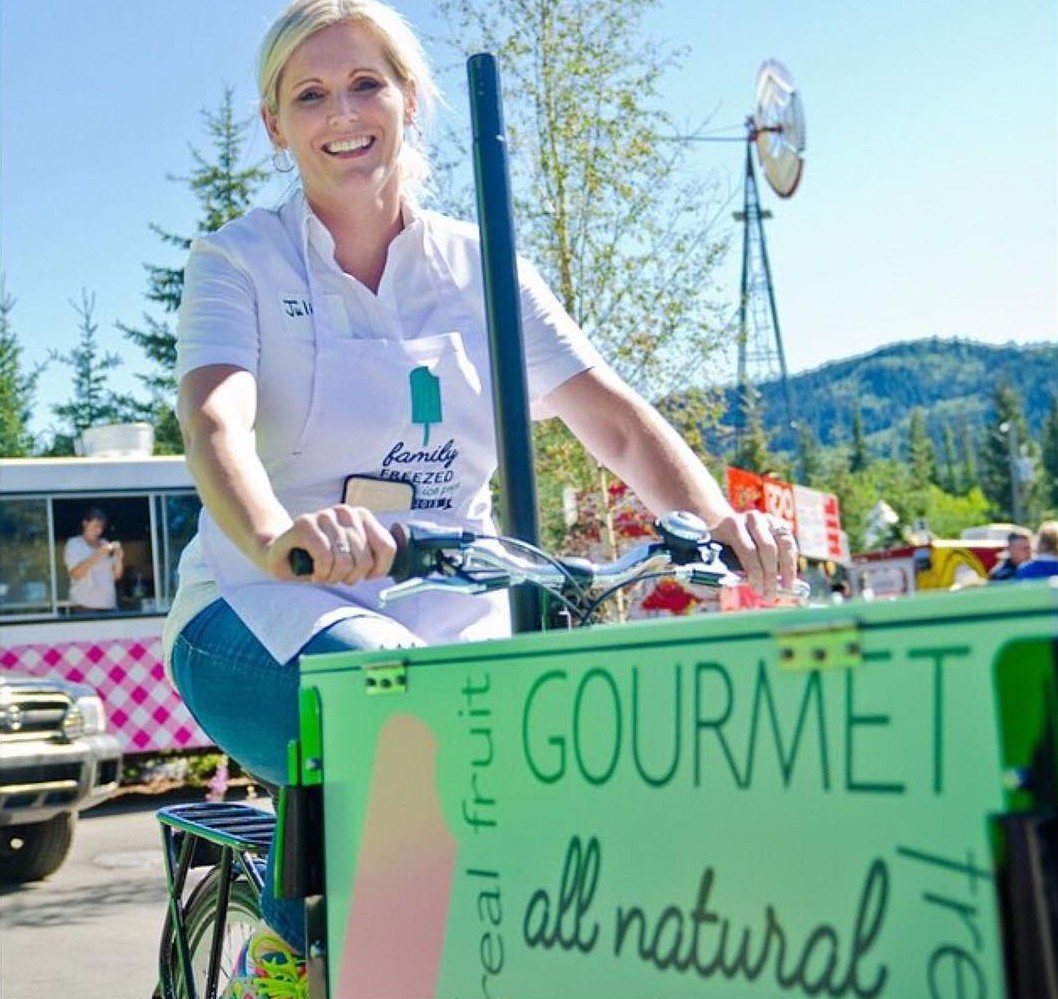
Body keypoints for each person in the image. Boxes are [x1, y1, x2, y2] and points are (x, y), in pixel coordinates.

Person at [163, 0, 801, 990]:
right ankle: (279, 955)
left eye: (367, 82)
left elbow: (617, 423)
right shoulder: (238, 260)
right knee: (398, 716)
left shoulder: (479, 266)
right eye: (312, 93)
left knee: (578, 777)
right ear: (274, 124)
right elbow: (215, 422)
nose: (344, 112)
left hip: (451, 620)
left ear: (409, 99)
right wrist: (281, 535)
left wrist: (718, 525)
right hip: (262, 610)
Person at [63, 506, 124, 611]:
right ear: (85, 523)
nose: (98, 531)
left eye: (101, 527)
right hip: (83, 607)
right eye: (95, 526)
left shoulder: (105, 543)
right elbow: (76, 574)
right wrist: (98, 555)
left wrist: (119, 559)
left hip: (108, 606)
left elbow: (116, 576)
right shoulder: (74, 544)